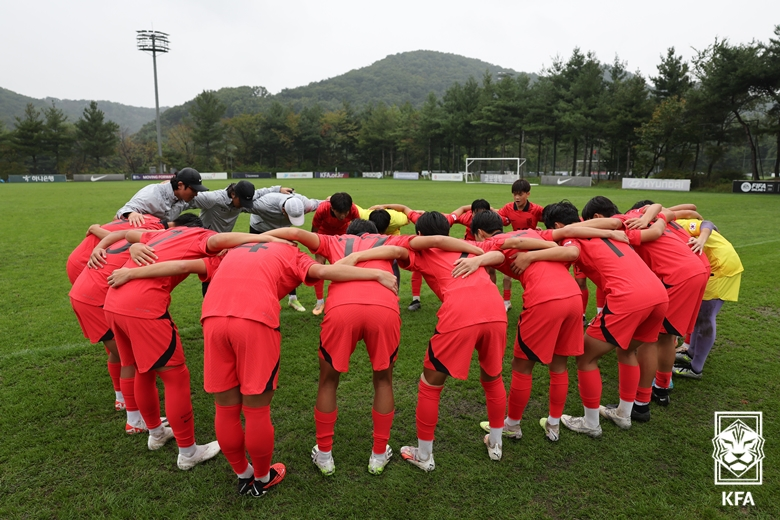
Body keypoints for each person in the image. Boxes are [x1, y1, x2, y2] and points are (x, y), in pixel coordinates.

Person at [106, 241, 397, 496]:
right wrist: (376, 273)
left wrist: (131, 269)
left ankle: (242, 474)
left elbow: (183, 264)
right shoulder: (292, 253)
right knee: (256, 408)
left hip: (213, 318)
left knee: (225, 406)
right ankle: (261, 477)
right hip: (255, 319)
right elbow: (327, 271)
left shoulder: (233, 250)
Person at [262, 219, 481, 475]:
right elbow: (436, 240)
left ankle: (324, 456)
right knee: (383, 381)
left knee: (328, 381)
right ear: (374, 234)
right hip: (383, 308)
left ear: (348, 234)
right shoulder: (389, 241)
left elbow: (293, 232)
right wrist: (479, 253)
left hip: (343, 308)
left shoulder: (334, 240)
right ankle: (378, 455)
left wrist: (252, 238)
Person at [103, 225, 286, 470]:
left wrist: (134, 246)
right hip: (142, 306)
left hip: (113, 301)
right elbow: (215, 243)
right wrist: (270, 239)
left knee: (139, 368)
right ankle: (188, 452)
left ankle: (155, 432)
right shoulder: (202, 237)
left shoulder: (165, 233)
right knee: (175, 376)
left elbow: (129, 235)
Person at [459, 211, 629, 443]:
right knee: (559, 364)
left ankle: (512, 425)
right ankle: (553, 424)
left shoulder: (491, 242)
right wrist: (610, 232)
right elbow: (570, 231)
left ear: (479, 233)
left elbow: (457, 247)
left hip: (544, 299)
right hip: (573, 298)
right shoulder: (535, 232)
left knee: (522, 365)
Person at [541, 201, 668, 437]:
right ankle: (624, 413)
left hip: (629, 297)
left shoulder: (573, 238)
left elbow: (568, 253)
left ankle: (590, 423)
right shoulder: (609, 227)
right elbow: (660, 209)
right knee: (627, 350)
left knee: (586, 357)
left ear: (557, 225)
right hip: (658, 294)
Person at [579, 196, 708, 418]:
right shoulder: (640, 214)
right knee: (665, 336)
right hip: (697, 267)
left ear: (598, 218)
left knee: (650, 338)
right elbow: (667, 208)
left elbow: (647, 232)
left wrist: (571, 230)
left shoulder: (625, 225)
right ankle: (661, 388)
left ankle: (641, 402)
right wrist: (652, 216)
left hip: (677, 275)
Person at [69, 214, 199, 421]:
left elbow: (121, 234)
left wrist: (97, 234)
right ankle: (134, 418)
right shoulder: (165, 239)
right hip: (98, 298)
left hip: (85, 291)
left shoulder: (148, 234)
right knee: (132, 360)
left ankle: (122, 399)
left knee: (121, 353)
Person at [673, 218, 743, 379]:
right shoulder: (669, 222)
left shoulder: (678, 224)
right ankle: (691, 354)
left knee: (705, 317)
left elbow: (707, 223)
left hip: (721, 267)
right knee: (699, 314)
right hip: (717, 265)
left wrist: (701, 240)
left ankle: (696, 368)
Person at [369, 203, 465, 312]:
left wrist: (356, 256)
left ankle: (415, 300)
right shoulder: (463, 242)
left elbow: (397, 251)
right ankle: (416, 299)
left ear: (419, 233)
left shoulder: (419, 255)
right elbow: (461, 209)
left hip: (457, 310)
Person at [496, 179, 544, 311]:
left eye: (520, 194)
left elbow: (550, 220)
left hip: (531, 247)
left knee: (530, 277)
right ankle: (506, 302)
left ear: (528, 194)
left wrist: (540, 230)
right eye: (514, 194)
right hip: (514, 244)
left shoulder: (536, 209)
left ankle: (531, 302)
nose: (517, 197)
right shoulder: (508, 208)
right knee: (507, 275)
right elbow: (499, 220)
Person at [309, 192, 361, 315]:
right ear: (332, 208)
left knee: (343, 267)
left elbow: (358, 228)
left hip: (342, 235)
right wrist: (314, 246)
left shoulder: (353, 209)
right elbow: (314, 229)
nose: (343, 216)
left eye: (346, 213)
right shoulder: (322, 209)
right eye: (340, 213)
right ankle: (320, 301)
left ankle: (344, 298)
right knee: (319, 266)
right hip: (323, 235)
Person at [116, 167, 208, 226]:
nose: (196, 194)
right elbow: (119, 214)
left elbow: (210, 197)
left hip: (156, 236)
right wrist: (131, 213)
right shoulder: (152, 196)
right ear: (180, 185)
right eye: (194, 190)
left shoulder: (183, 198)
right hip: (133, 238)